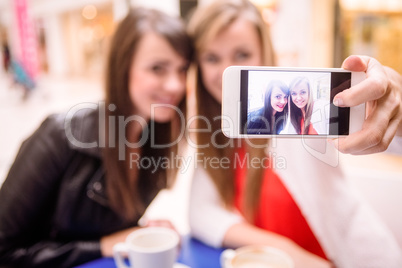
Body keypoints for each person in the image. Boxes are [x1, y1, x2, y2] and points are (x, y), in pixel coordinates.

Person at [186, 0, 402, 267]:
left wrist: (393, 99)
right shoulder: (219, 135)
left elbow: (387, 137)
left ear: (265, 53)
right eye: (212, 57)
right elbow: (200, 213)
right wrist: (286, 250)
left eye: (242, 54)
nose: (225, 70)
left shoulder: (297, 109)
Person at [0, 8, 192, 267]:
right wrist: (105, 245)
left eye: (182, 70)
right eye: (158, 69)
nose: (175, 85)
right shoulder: (60, 137)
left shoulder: (156, 140)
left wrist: (142, 231)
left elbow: (105, 225)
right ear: (122, 67)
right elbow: (4, 250)